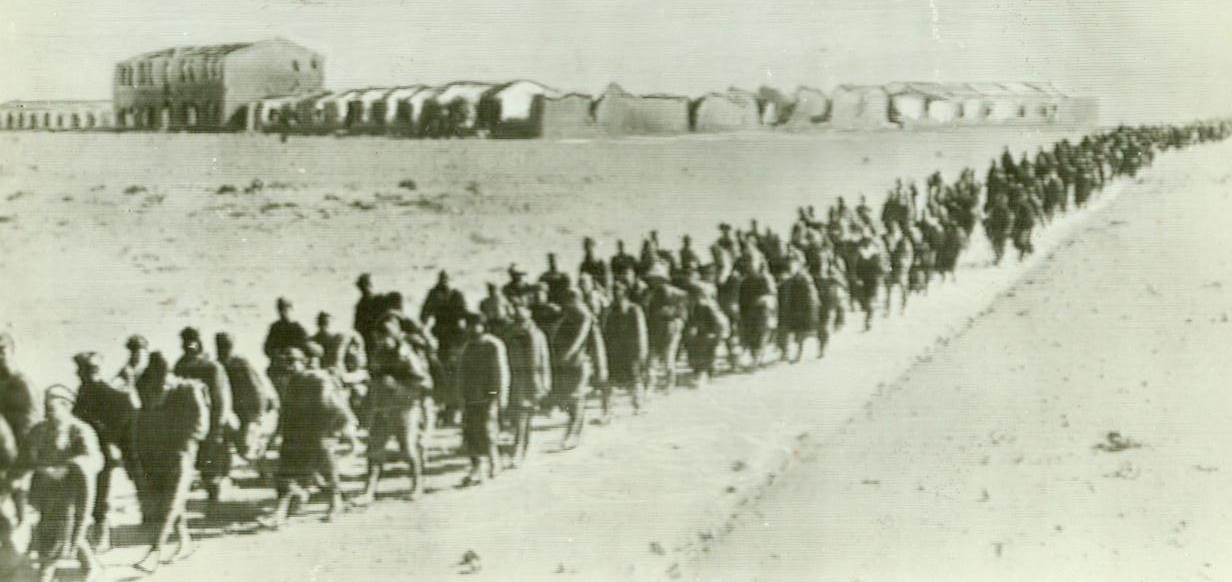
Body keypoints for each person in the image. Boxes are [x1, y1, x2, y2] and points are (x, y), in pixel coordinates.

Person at [132, 353, 209, 572]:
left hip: (181, 453)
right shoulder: (147, 388)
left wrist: (181, 445)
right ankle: (185, 541)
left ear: (170, 376)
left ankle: (154, 551)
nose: (158, 389)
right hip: (155, 454)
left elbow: (200, 426)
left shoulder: (189, 390)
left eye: (163, 383)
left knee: (171, 501)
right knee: (169, 501)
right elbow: (142, 419)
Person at [21, 385, 104, 582]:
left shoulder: (80, 429)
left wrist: (69, 467)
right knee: (49, 526)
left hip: (70, 490)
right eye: (46, 408)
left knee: (68, 527)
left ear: (66, 406)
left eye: (52, 408)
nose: (48, 413)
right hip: (46, 489)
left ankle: (50, 568)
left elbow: (93, 458)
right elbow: (27, 455)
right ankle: (84, 564)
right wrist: (41, 468)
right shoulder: (39, 429)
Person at [267, 348, 356, 527]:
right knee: (285, 473)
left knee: (325, 471)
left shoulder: (318, 380)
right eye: (286, 363)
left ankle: (335, 504)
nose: (289, 367)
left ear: (304, 362)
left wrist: (333, 434)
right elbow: (286, 411)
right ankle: (279, 513)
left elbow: (337, 409)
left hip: (318, 433)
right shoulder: (292, 381)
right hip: (295, 435)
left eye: (292, 362)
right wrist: (276, 435)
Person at [356, 311, 433, 504]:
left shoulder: (407, 355)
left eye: (385, 338)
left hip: (405, 407)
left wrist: (398, 385)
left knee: (408, 448)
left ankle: (417, 485)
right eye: (379, 338)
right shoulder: (378, 353)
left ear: (393, 336)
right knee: (374, 449)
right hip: (382, 406)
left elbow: (424, 383)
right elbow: (374, 376)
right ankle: (369, 490)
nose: (381, 342)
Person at [71, 352, 139, 552]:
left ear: (90, 371)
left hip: (100, 452)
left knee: (99, 495)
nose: (78, 373)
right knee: (91, 495)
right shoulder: (85, 390)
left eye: (81, 370)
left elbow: (127, 412)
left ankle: (101, 535)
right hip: (89, 452)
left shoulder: (105, 392)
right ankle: (92, 535)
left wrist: (110, 438)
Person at [173, 327, 238, 504]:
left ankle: (214, 496)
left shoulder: (212, 367)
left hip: (211, 421)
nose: (189, 345)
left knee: (212, 460)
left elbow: (222, 398)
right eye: (186, 341)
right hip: (187, 424)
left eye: (193, 341)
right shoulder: (180, 366)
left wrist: (218, 424)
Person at [455, 313, 509, 485]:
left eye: (475, 325)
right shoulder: (467, 347)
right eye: (469, 325)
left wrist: (500, 396)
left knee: (488, 430)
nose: (471, 329)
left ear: (482, 326)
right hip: (471, 395)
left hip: (489, 395)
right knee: (470, 431)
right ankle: (476, 467)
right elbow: (461, 374)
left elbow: (501, 372)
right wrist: (460, 396)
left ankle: (494, 462)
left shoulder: (493, 345)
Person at [549, 288, 607, 450]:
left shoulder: (584, 318)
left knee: (575, 399)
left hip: (578, 363)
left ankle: (573, 435)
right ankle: (575, 432)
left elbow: (588, 343)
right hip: (568, 364)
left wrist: (567, 355)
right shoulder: (569, 318)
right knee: (572, 399)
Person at [216, 333, 280, 466]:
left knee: (245, 446)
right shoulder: (219, 364)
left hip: (248, 410)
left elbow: (256, 387)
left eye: (225, 346)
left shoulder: (240, 363)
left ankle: (262, 461)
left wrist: (258, 411)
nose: (223, 349)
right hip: (232, 410)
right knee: (230, 442)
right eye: (221, 346)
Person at [499, 306, 551, 466]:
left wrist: (544, 383)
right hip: (515, 380)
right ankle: (520, 447)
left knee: (523, 416)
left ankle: (519, 449)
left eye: (521, 321)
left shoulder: (535, 335)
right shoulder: (511, 334)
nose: (518, 324)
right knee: (520, 416)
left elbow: (542, 360)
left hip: (529, 381)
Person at [421, 271, 468, 426]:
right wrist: (426, 332)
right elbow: (424, 315)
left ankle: (454, 411)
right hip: (443, 341)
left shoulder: (456, 295)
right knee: (444, 375)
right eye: (442, 280)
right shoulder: (434, 294)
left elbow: (464, 315)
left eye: (447, 280)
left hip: (457, 340)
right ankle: (448, 410)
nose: (445, 283)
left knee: (455, 374)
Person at [602, 282, 648, 418]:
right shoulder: (610, 309)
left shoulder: (634, 309)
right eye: (614, 290)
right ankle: (607, 411)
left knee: (634, 379)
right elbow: (605, 330)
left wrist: (641, 352)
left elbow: (641, 332)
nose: (616, 293)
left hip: (630, 351)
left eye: (619, 290)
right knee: (609, 380)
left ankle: (638, 405)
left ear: (625, 292)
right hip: (614, 351)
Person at [643, 264, 688, 391]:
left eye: (656, 279)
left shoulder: (673, 293)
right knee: (654, 356)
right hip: (655, 327)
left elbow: (682, 312)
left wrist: (677, 321)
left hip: (669, 327)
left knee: (667, 355)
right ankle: (652, 383)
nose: (653, 282)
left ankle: (668, 383)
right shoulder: (649, 293)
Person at [776, 254, 820, 362]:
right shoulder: (788, 278)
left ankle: (799, 355)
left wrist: (809, 311)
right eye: (789, 264)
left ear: (799, 265)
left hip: (801, 309)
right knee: (786, 331)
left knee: (800, 334)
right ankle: (785, 353)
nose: (790, 266)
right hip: (790, 309)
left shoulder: (804, 278)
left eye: (793, 264)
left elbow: (811, 297)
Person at [683, 285, 730, 387]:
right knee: (705, 354)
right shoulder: (706, 304)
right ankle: (706, 374)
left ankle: (701, 376)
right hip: (707, 333)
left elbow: (717, 321)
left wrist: (716, 334)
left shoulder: (704, 305)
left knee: (702, 355)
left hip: (707, 333)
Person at [0, 332, 39, 452]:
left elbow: (29, 428)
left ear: (11, 352)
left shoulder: (22, 385)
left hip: (17, 452)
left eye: (2, 351)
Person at [263, 297, 310, 362]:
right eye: (280, 309)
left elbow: (307, 348)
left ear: (291, 309)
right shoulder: (275, 327)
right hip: (278, 362)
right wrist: (277, 353)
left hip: (294, 363)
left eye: (285, 309)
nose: (282, 313)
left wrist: (295, 353)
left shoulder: (298, 328)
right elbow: (267, 348)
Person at [353, 273, 382, 349]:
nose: (362, 289)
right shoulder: (360, 304)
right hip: (367, 337)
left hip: (378, 336)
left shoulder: (379, 300)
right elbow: (357, 324)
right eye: (361, 287)